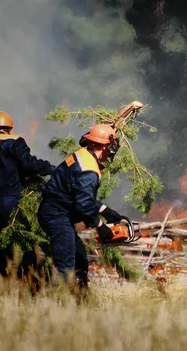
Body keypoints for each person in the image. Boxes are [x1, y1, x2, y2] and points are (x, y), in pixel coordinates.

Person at [0, 111, 55, 281]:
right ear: (8, 129)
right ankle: (28, 281)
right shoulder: (14, 141)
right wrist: (52, 169)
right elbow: (29, 164)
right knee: (26, 242)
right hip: (9, 200)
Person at [38, 123, 127, 288]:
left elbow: (77, 192)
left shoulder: (82, 155)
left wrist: (105, 211)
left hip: (55, 210)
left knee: (79, 256)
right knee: (65, 265)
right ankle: (58, 303)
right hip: (56, 215)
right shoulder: (89, 171)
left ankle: (79, 296)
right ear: (106, 147)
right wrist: (101, 226)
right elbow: (83, 204)